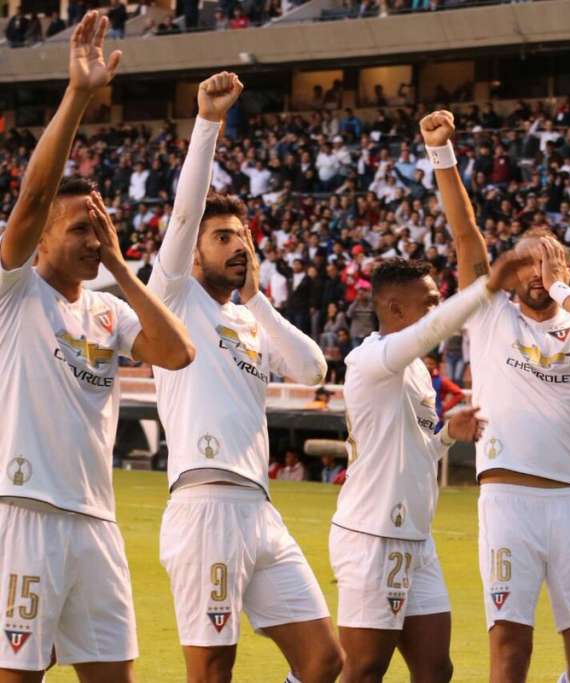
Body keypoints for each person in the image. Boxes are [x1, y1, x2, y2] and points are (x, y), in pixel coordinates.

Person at [0, 12, 194, 681]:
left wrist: (120, 264)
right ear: (44, 235)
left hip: (96, 521)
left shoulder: (111, 309)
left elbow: (177, 353)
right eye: (81, 226)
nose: (93, 237)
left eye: (102, 227)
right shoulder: (15, 290)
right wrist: (79, 95)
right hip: (23, 512)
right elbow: (29, 203)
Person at [148, 72, 341, 683]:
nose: (239, 247)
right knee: (212, 670)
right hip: (205, 503)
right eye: (223, 237)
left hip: (259, 507)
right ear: (194, 250)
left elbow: (312, 368)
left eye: (245, 239)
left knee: (324, 661)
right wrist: (208, 121)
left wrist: (258, 300)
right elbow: (183, 217)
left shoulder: (248, 316)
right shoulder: (174, 299)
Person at [425, 109, 570, 683]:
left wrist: (560, 285)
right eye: (527, 263)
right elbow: (467, 237)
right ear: (510, 271)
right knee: (511, 650)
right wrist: (444, 156)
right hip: (509, 498)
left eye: (549, 261)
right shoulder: (490, 316)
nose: (536, 272)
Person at [330, 252, 528, 683]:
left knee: (436, 669)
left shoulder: (417, 370)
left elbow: (412, 454)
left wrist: (445, 437)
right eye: (430, 301)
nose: (437, 311)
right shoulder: (370, 360)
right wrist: (488, 285)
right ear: (396, 308)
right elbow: (433, 330)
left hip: (416, 539)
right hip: (371, 535)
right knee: (364, 669)